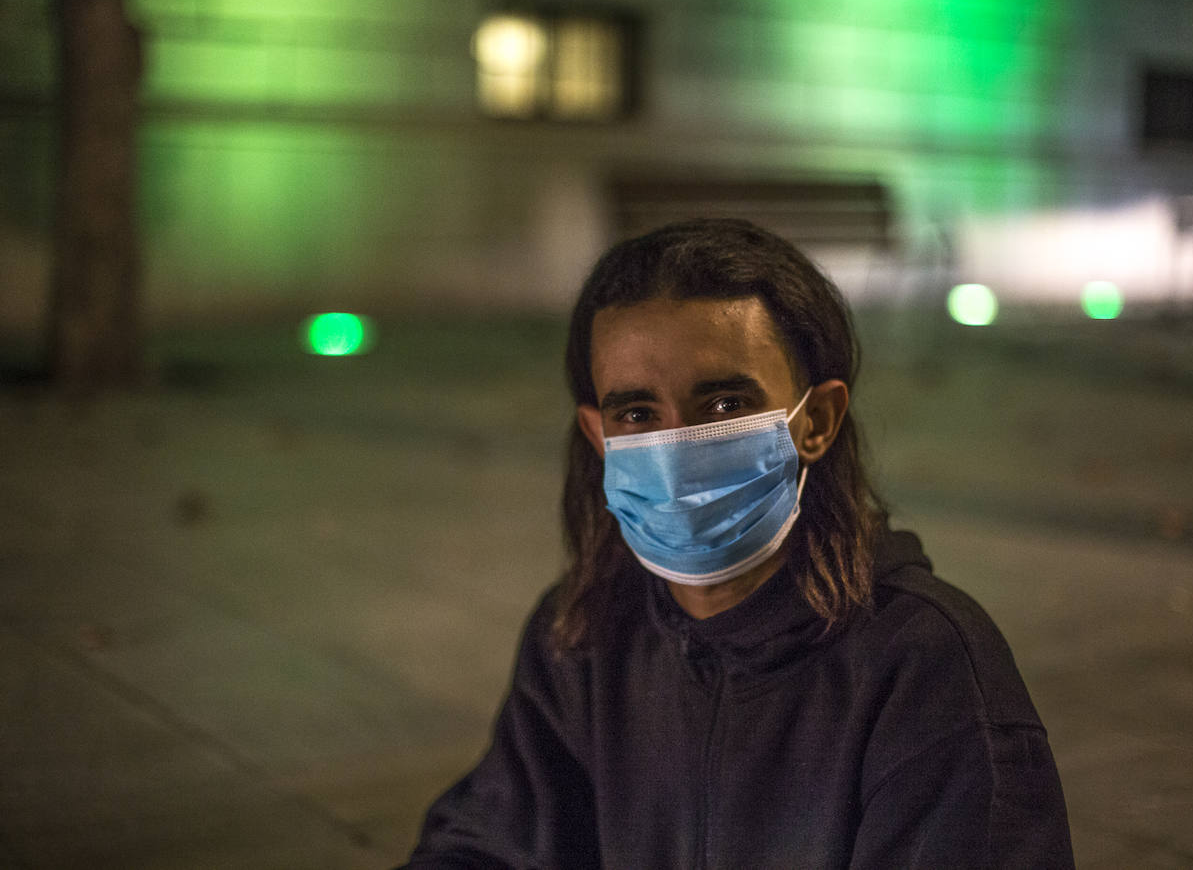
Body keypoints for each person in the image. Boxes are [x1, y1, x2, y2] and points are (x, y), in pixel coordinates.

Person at [400, 218, 1073, 868]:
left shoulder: (920, 664)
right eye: (637, 414)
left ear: (817, 421)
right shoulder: (582, 637)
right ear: (598, 435)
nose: (674, 449)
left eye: (723, 406)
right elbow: (491, 843)